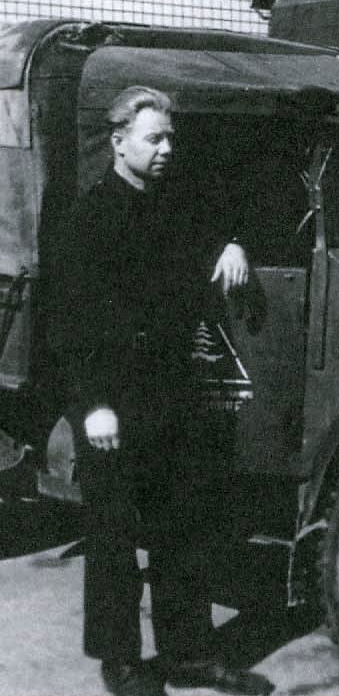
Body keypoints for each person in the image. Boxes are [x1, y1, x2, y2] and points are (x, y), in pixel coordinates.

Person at [50, 86, 272, 696]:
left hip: (172, 394)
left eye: (170, 137)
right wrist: (94, 406)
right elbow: (68, 325)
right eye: (154, 138)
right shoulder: (88, 218)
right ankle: (120, 661)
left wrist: (231, 242)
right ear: (118, 142)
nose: (167, 148)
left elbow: (219, 216)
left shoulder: (177, 205)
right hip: (112, 400)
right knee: (114, 534)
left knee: (182, 527)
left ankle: (189, 655)